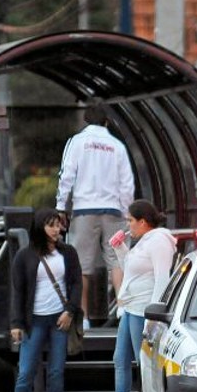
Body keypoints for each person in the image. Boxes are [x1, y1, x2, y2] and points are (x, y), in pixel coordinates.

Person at [91, 200, 176, 392]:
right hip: (130, 308)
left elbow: (162, 278)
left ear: (143, 222)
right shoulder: (143, 242)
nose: (128, 224)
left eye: (130, 220)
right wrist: (120, 248)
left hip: (143, 310)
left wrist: (154, 314)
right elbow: (131, 268)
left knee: (145, 365)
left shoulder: (159, 241)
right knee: (121, 359)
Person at [56, 99, 136, 332]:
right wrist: (126, 212)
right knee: (118, 260)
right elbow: (126, 183)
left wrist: (61, 207)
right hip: (113, 210)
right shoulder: (117, 146)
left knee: (82, 266)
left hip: (84, 210)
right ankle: (123, 310)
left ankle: (84, 317)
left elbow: (66, 175)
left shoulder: (77, 142)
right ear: (107, 121)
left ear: (86, 120)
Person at [3, 208, 82, 392]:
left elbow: (77, 284)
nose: (57, 230)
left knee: (56, 372)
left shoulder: (68, 253)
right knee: (26, 372)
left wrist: (70, 310)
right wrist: (16, 323)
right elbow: (18, 292)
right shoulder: (25, 256)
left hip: (60, 320)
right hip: (33, 320)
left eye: (58, 225)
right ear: (40, 227)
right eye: (51, 225)